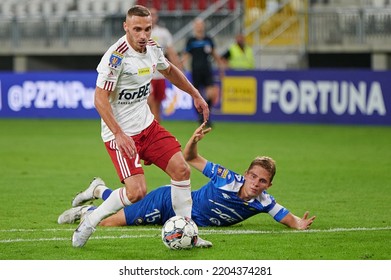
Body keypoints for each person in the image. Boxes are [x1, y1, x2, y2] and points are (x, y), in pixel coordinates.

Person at [71, 5, 211, 248]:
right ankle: (90, 221)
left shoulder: (153, 48)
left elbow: (169, 71)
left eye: (147, 29)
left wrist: (195, 94)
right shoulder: (116, 57)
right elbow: (99, 99)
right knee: (136, 192)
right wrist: (118, 133)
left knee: (182, 170)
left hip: (148, 127)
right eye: (137, 29)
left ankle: (188, 232)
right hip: (121, 134)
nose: (143, 35)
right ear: (126, 27)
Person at [62, 123, 316, 232]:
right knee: (109, 224)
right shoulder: (227, 178)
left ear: (268, 185)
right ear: (247, 174)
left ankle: (98, 189)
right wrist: (193, 142)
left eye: (262, 181)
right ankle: (90, 212)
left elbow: (286, 217)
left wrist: (298, 224)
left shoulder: (264, 202)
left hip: (181, 222)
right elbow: (192, 159)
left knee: (128, 203)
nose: (255, 183)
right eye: (253, 176)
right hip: (169, 201)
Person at [182, 18, 225, 127]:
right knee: (196, 94)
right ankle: (200, 117)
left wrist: (221, 67)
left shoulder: (208, 39)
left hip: (207, 70)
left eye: (201, 25)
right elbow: (186, 56)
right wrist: (180, 67)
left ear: (203, 26)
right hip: (195, 71)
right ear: (194, 27)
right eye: (197, 25)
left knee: (211, 93)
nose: (199, 27)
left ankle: (206, 116)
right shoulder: (191, 40)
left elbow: (215, 54)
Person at [148, 8, 183, 123]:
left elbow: (171, 51)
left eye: (154, 14)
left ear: (157, 17)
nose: (152, 17)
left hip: (160, 74)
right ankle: (149, 129)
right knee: (150, 102)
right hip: (146, 75)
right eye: (150, 14)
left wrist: (177, 67)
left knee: (157, 105)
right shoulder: (141, 33)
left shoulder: (163, 33)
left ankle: (156, 129)